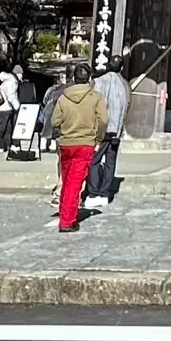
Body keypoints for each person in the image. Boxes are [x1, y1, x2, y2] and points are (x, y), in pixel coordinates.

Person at [49, 62, 107, 233]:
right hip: (85, 143)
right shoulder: (96, 97)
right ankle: (67, 221)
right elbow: (103, 120)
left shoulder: (63, 97)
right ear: (89, 79)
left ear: (74, 78)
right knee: (75, 183)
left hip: (66, 143)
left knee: (67, 180)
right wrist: (98, 139)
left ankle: (64, 210)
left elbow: (54, 121)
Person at [84, 55, 130, 213]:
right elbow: (126, 108)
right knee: (110, 161)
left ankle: (93, 192)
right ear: (121, 68)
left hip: (101, 129)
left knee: (94, 161)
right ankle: (104, 193)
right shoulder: (125, 85)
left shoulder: (99, 81)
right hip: (116, 130)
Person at [0, 63, 21, 154]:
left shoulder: (9, 80)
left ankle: (6, 146)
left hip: (4, 108)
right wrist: (18, 107)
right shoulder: (12, 82)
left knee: (8, 128)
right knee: (2, 128)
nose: (22, 76)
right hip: (4, 109)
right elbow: (11, 96)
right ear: (17, 74)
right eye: (21, 74)